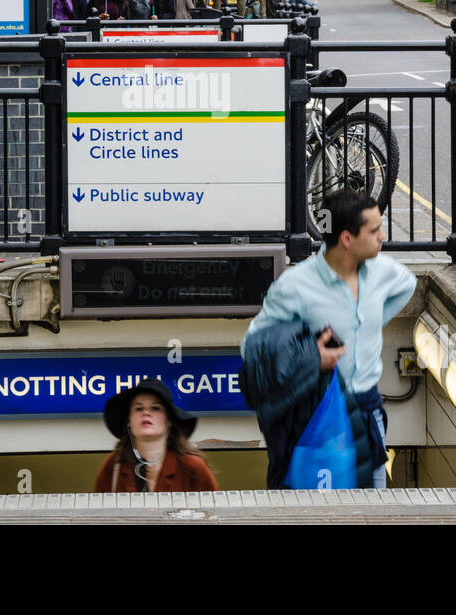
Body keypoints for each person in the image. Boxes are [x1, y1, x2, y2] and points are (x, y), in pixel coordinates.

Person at [239, 189, 417, 488]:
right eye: (373, 230)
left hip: (368, 410)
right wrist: (312, 357)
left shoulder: (387, 273)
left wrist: (365, 327)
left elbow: (407, 286)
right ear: (347, 239)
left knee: (371, 510)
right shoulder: (295, 286)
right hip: (316, 413)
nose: (382, 236)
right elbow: (253, 348)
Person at [93, 379, 219, 493]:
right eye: (138, 408)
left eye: (155, 408)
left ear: (168, 420)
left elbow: (214, 513)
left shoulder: (193, 468)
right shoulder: (115, 466)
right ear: (129, 421)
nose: (146, 413)